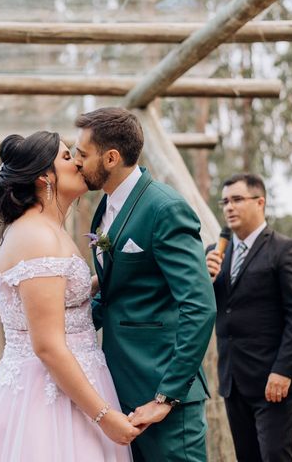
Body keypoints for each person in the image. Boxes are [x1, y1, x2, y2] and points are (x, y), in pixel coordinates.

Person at [0, 131, 135, 462]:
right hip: (48, 398)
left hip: (74, 383)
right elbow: (48, 345)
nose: (78, 163)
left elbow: (61, 298)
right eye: (67, 158)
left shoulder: (46, 231)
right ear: (43, 176)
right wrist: (105, 417)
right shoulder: (38, 237)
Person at [73, 107, 217, 462]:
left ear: (111, 157)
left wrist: (166, 396)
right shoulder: (105, 207)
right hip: (117, 388)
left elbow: (200, 306)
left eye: (82, 153)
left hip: (162, 396)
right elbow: (117, 293)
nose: (76, 162)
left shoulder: (165, 208)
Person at [205, 173, 292, 462]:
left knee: (276, 457)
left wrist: (283, 371)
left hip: (272, 382)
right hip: (233, 381)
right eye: (225, 201)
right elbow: (214, 310)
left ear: (260, 202)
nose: (229, 207)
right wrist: (204, 281)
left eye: (237, 199)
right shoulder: (215, 255)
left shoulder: (286, 250)